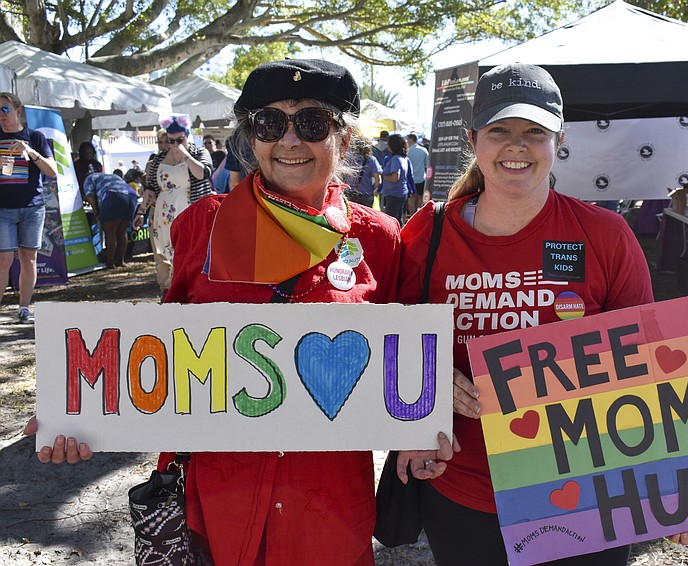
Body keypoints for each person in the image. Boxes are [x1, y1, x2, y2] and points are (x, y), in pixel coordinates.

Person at [26, 58, 454, 565]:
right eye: (270, 123)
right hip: (219, 505)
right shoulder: (201, 226)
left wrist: (427, 417)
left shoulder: (379, 239)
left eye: (312, 123)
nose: (289, 141)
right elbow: (161, 356)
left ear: (343, 137)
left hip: (328, 512)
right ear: (251, 138)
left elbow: (402, 362)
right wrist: (82, 408)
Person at [395, 63, 688, 565]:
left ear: (559, 140)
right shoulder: (425, 235)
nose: (516, 146)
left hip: (588, 488)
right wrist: (425, 385)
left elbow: (649, 360)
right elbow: (392, 342)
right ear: (474, 139)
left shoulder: (604, 234)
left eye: (534, 132)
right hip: (464, 491)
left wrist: (676, 484)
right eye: (500, 131)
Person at [133, 115, 213, 295]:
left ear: (187, 136)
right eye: (171, 140)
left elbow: (203, 174)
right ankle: (170, 293)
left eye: (180, 140)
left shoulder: (198, 153)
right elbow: (151, 189)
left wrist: (185, 156)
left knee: (192, 253)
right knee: (165, 254)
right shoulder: (158, 159)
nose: (175, 144)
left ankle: (194, 292)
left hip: (191, 212)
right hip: (164, 214)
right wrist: (141, 212)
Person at [0, 91, 58, 324]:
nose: (1, 115)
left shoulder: (34, 137)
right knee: (3, 261)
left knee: (28, 258)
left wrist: (31, 153)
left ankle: (24, 308)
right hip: (3, 209)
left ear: (18, 111)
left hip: (32, 208)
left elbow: (52, 171)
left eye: (4, 109)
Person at [83, 172, 138, 269]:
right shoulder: (109, 176)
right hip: (132, 195)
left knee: (110, 232)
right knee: (122, 232)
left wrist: (96, 212)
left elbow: (90, 195)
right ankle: (120, 261)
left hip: (113, 195)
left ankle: (110, 262)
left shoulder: (88, 179)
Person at [381, 133, 411, 224]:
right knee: (398, 219)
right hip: (401, 193)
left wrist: (382, 176)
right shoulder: (404, 158)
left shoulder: (395, 159)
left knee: (391, 221)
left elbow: (394, 178)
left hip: (394, 194)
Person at [344, 136, 381, 207]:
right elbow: (378, 180)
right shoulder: (372, 160)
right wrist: (372, 188)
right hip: (366, 193)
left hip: (351, 192)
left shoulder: (350, 159)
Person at [406, 132, 429, 214]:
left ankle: (412, 215)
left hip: (409, 179)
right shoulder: (423, 150)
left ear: (411, 139)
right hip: (421, 178)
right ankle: (418, 214)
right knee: (420, 198)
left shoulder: (407, 151)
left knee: (411, 199)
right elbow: (427, 164)